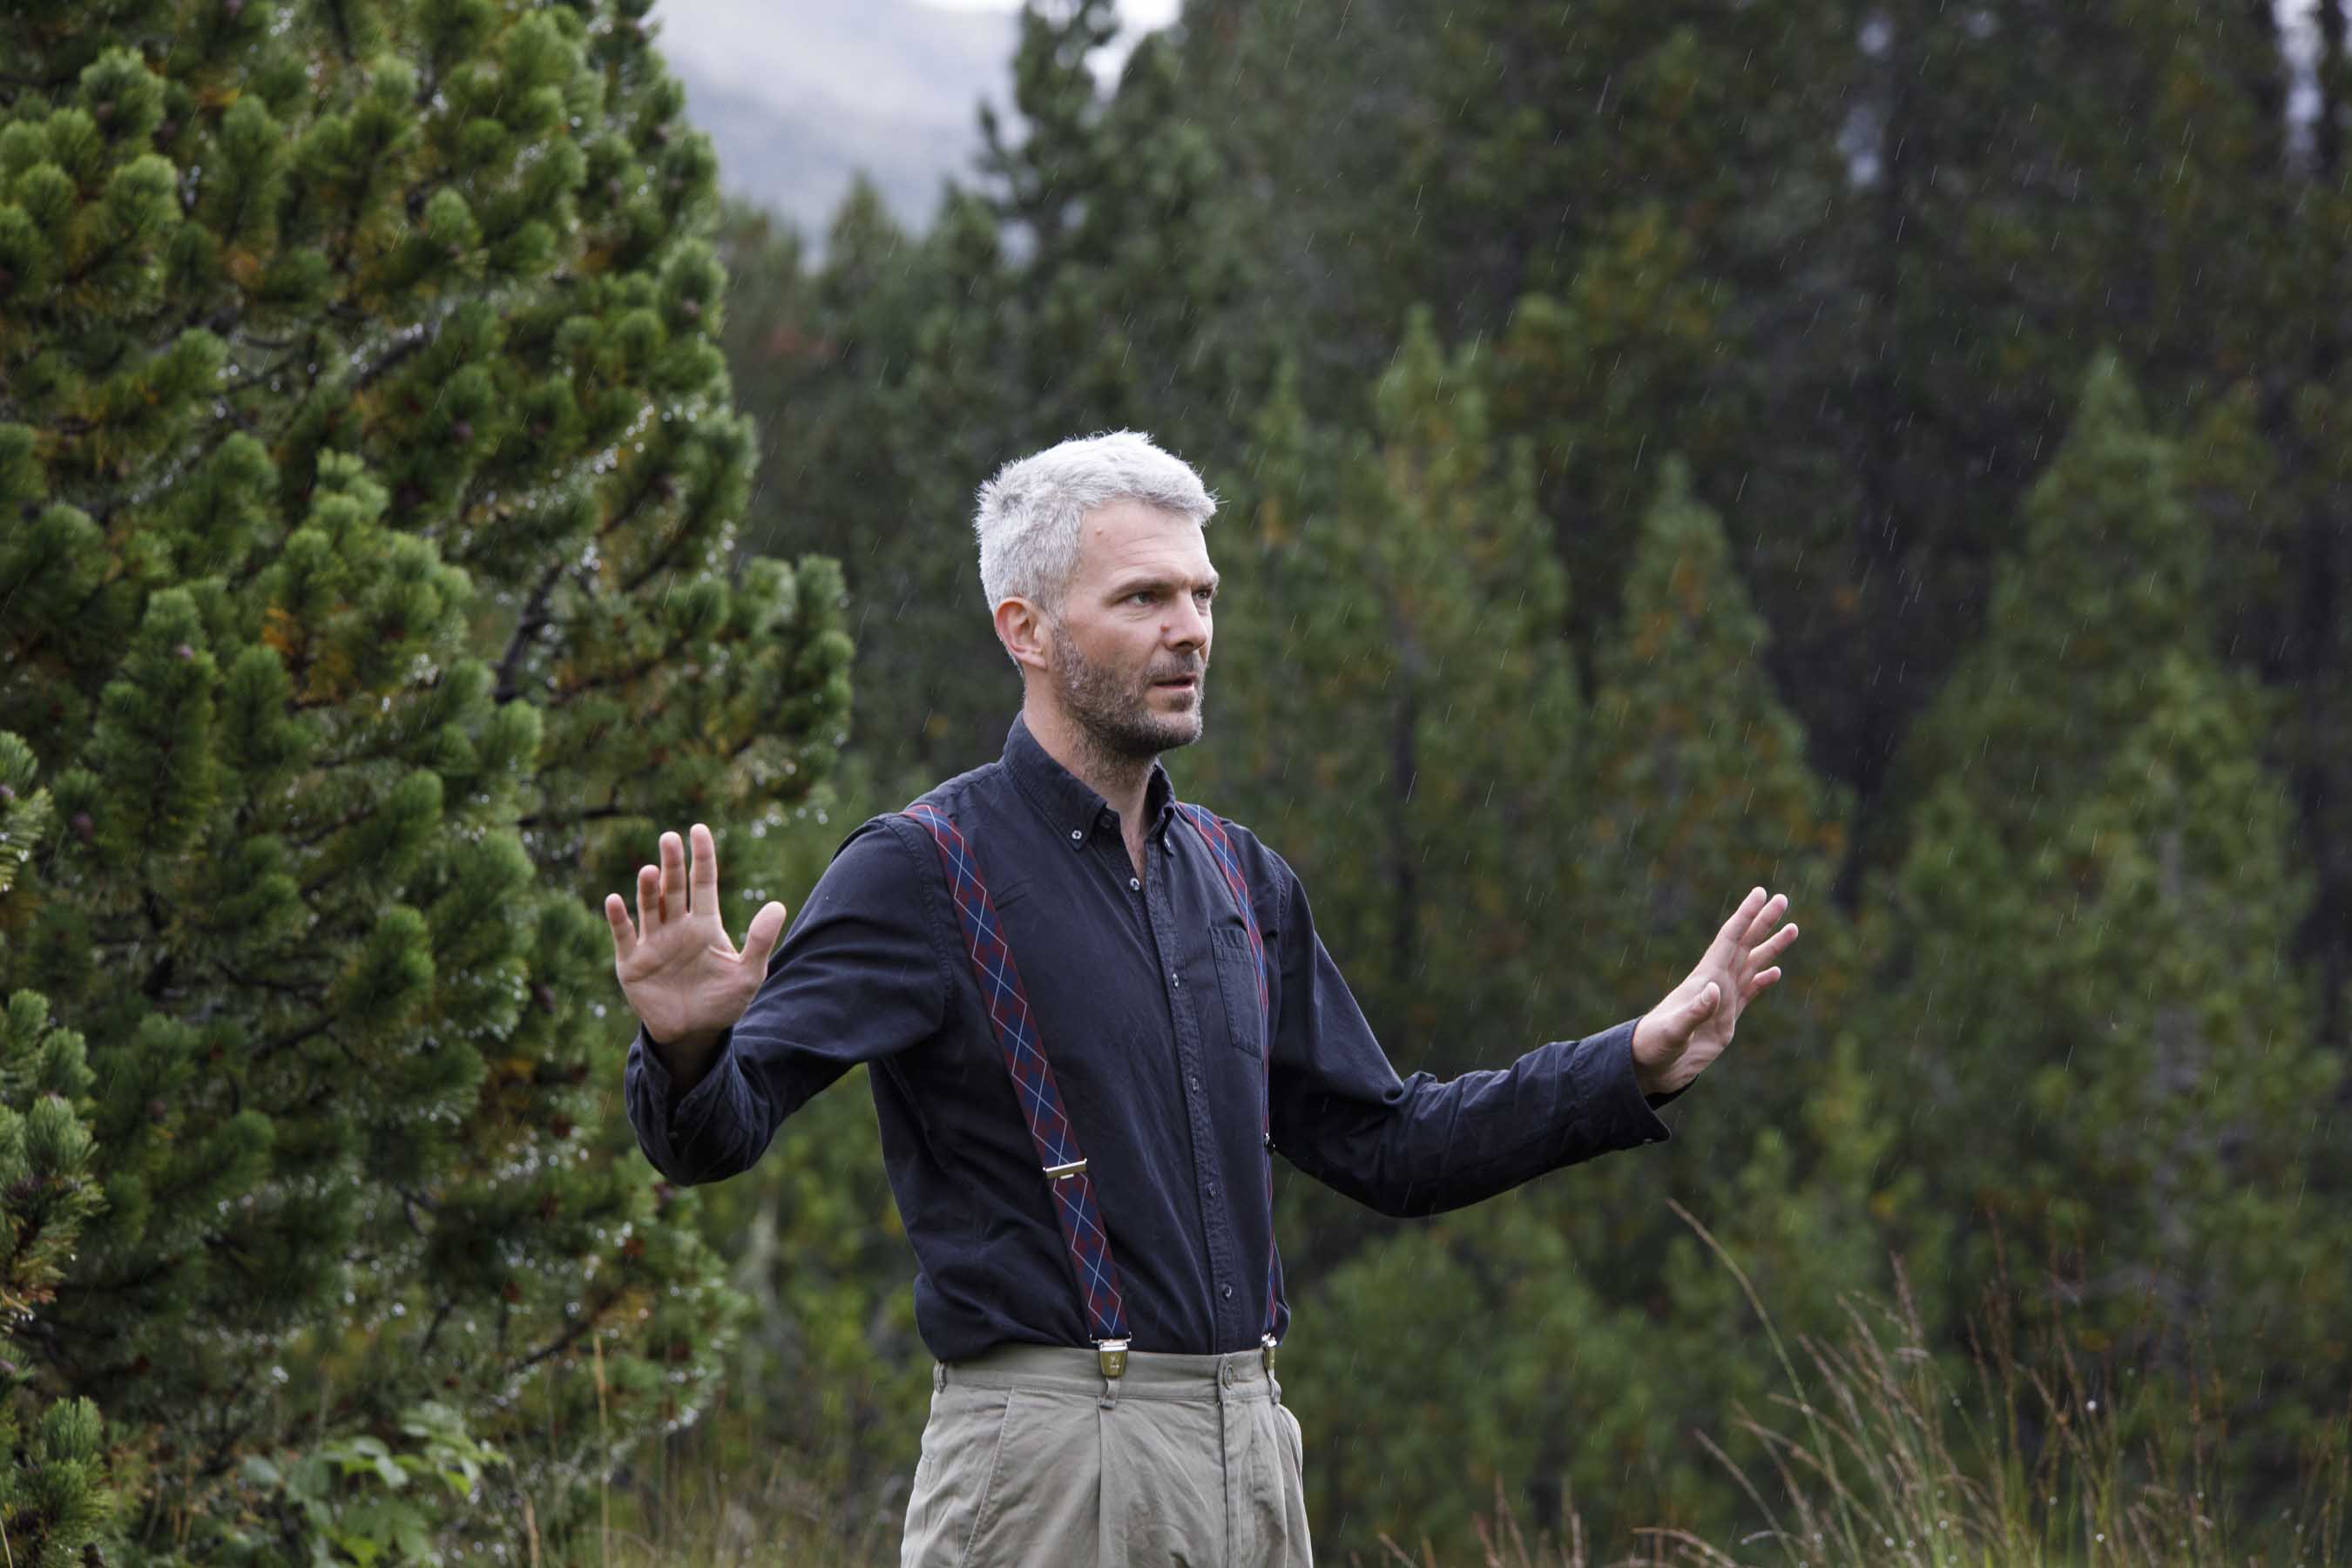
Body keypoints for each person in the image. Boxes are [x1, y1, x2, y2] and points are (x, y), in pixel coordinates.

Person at [607, 430, 1799, 1567]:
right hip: (1050, 1467)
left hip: (1251, 1446)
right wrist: (684, 1043)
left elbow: (1390, 1147)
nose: (1190, 632)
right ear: (1024, 627)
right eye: (1144, 600)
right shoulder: (923, 869)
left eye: (1203, 597)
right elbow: (714, 1136)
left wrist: (1630, 1063)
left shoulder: (1239, 879)